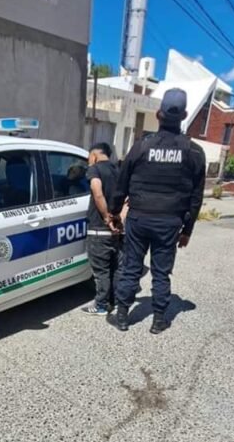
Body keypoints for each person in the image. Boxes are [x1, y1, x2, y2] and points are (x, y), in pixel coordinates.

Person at [107, 88, 206, 334]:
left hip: (139, 218)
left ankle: (122, 316)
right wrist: (188, 231)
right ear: (184, 116)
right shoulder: (194, 152)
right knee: (161, 272)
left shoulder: (141, 146)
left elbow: (121, 184)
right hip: (169, 223)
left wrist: (113, 214)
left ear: (159, 114)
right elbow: (196, 197)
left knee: (131, 267)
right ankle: (158, 320)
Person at [82, 142, 123, 315]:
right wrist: (118, 219)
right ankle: (113, 301)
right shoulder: (118, 171)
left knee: (101, 271)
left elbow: (97, 192)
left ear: (94, 155)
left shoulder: (95, 169)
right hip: (117, 230)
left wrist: (106, 217)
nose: (88, 162)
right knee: (115, 268)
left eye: (88, 158)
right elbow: (127, 198)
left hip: (99, 229)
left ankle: (100, 306)